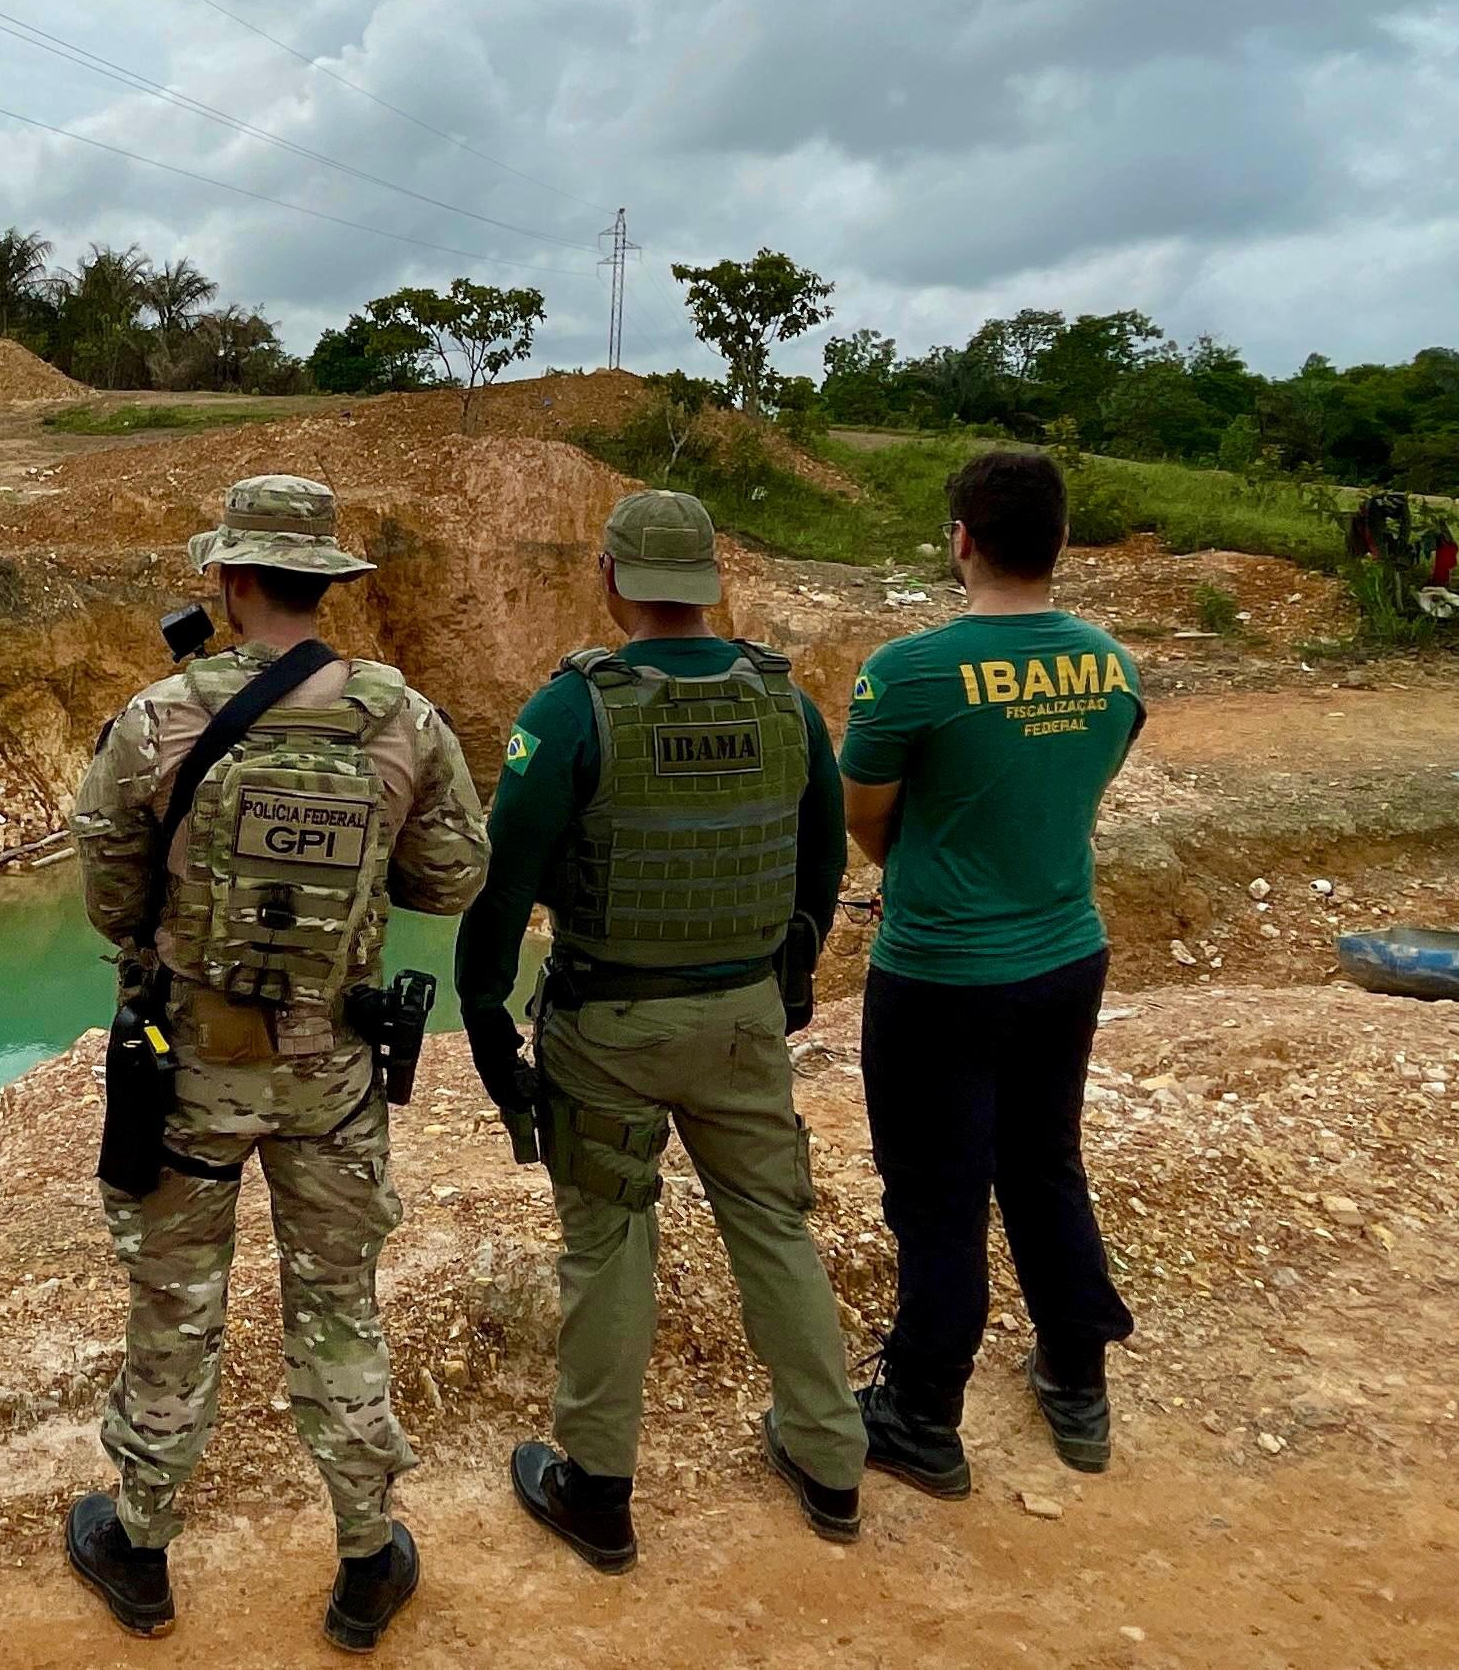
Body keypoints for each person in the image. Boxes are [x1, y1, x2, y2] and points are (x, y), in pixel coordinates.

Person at [63, 474, 490, 1654]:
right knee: (339, 1308)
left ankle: (141, 1542)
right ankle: (365, 1558)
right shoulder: (402, 722)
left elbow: (110, 898)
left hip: (187, 1070)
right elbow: (453, 880)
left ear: (234, 582)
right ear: (326, 583)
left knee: (175, 1304)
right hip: (333, 1075)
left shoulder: (156, 720)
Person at [459, 488, 867, 1569]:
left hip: (608, 1022)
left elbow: (501, 888)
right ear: (712, 583)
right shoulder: (785, 704)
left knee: (608, 1245)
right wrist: (789, 979)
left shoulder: (570, 711)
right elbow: (820, 861)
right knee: (775, 1225)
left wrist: (485, 1018)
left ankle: (597, 1489)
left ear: (610, 580)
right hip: (741, 1015)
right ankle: (831, 1462)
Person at [840, 447, 1145, 1497]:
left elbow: (866, 814)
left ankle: (921, 1412)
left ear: (960, 539)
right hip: (1067, 955)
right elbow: (1080, 785)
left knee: (937, 1194)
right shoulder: (1113, 666)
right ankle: (1077, 1377)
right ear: (1061, 542)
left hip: (938, 974)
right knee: (1045, 1163)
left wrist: (924, 873)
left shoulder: (909, 671)